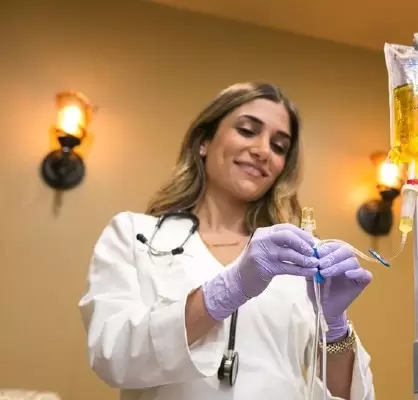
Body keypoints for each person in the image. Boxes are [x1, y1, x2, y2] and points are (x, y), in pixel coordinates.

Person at [78, 82, 375, 400]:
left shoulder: (294, 261)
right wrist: (227, 290)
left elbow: (348, 396)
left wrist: (334, 328)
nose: (263, 151)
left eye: (279, 146)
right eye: (247, 130)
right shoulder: (134, 235)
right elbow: (113, 357)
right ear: (204, 142)